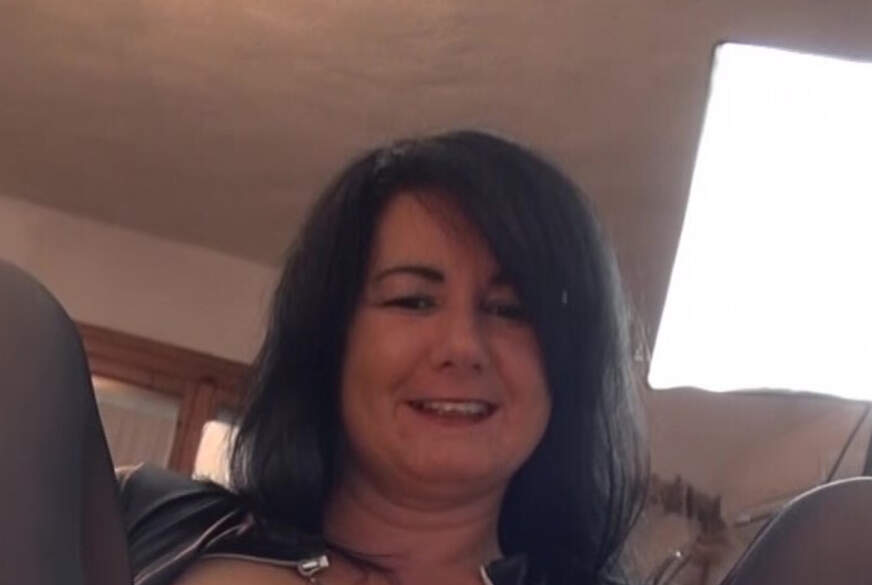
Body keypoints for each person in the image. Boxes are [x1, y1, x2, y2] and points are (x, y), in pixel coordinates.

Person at [0, 130, 648, 585]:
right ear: (332, 337)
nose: (461, 347)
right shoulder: (143, 519)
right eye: (413, 301)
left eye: (511, 310)